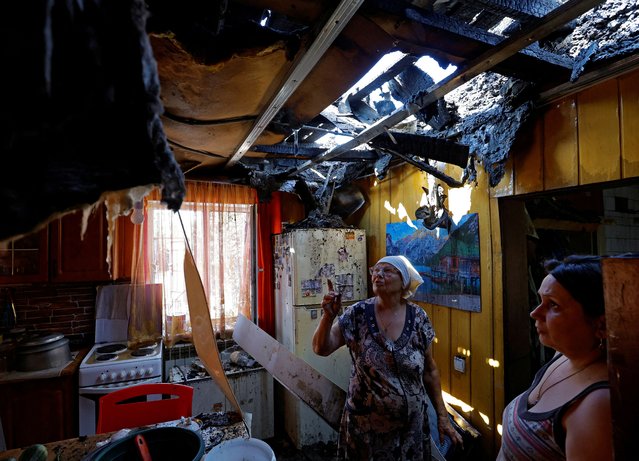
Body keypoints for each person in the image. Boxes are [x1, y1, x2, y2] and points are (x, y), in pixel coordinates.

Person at [312, 255, 463, 460]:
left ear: (404, 282)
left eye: (387, 271)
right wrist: (328, 317)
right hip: (365, 433)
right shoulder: (357, 314)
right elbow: (321, 348)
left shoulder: (418, 318)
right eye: (376, 270)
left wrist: (442, 416)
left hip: (411, 431)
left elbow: (430, 370)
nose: (378, 275)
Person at [498, 255, 612, 461]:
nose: (535, 313)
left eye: (554, 305)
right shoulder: (561, 356)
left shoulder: (597, 405)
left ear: (600, 325)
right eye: (541, 300)